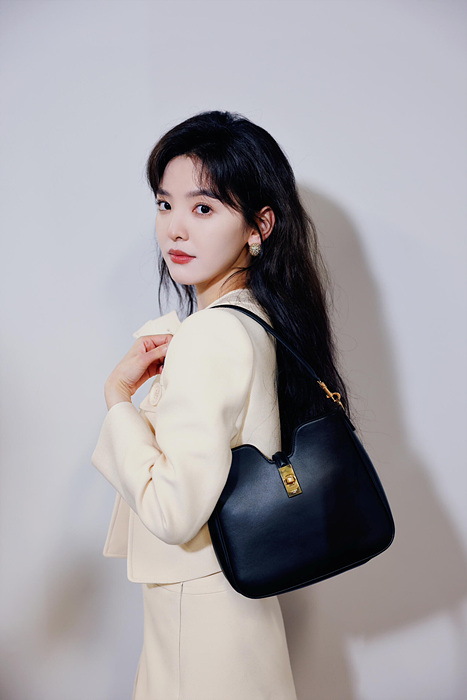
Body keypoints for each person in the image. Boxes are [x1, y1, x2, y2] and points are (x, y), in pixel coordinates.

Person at [92, 110, 348, 700]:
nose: (175, 229)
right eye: (165, 204)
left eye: (203, 208)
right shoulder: (257, 317)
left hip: (198, 618)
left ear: (259, 226)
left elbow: (173, 512)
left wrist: (117, 400)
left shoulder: (210, 334)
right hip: (234, 605)